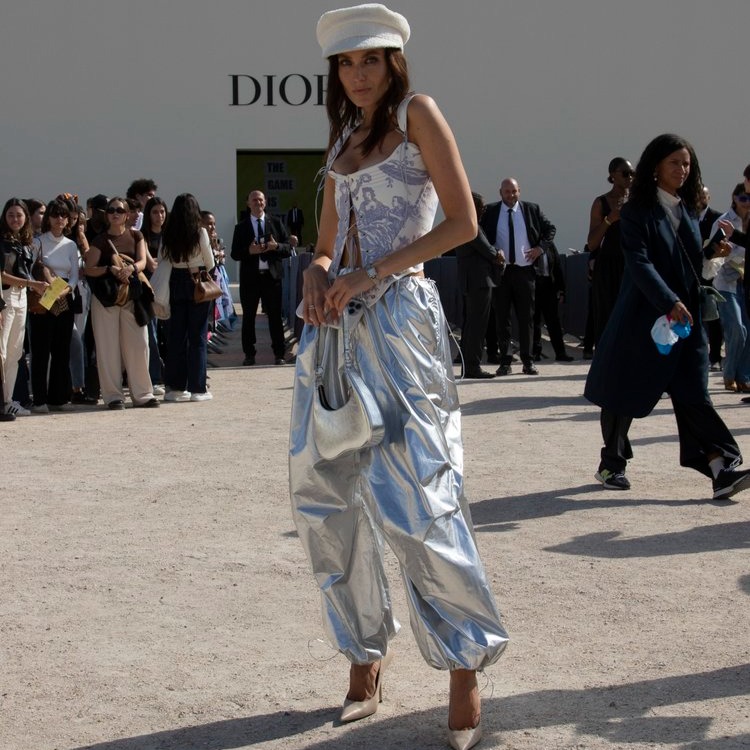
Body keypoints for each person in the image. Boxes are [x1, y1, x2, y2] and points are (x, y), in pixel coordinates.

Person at [290, 6, 508, 750]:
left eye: (370, 62)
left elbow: (463, 222)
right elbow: (323, 245)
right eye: (346, 65)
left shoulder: (420, 113)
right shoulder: (343, 136)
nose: (357, 75)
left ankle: (463, 665)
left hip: (400, 325)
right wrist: (319, 276)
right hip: (333, 335)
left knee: (422, 495)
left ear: (394, 63)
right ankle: (363, 657)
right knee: (326, 495)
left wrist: (369, 272)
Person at [584, 133, 750, 500]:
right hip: (643, 318)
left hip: (685, 322)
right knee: (623, 393)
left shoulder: (687, 210)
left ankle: (720, 467)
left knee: (695, 394)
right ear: (655, 166)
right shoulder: (635, 212)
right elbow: (640, 263)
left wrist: (713, 253)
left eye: (687, 163)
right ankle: (612, 462)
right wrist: (668, 300)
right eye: (675, 162)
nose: (682, 169)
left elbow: (693, 268)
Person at [85, 196, 159, 410]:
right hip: (106, 298)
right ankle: (113, 396)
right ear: (106, 215)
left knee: (139, 344)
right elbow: (89, 268)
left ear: (127, 215)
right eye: (110, 210)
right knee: (107, 347)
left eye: (119, 210)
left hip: (131, 295)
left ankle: (143, 394)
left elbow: (144, 261)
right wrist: (110, 269)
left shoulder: (136, 235)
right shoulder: (100, 240)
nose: (115, 213)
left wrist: (132, 268)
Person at [479, 178, 556, 376]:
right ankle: (505, 360)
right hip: (502, 271)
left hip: (525, 271)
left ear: (519, 191)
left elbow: (550, 229)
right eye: (507, 192)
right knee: (502, 318)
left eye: (514, 191)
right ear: (500, 193)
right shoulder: (491, 212)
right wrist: (492, 253)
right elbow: (480, 234)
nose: (511, 195)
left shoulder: (531, 210)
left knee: (526, 318)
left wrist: (540, 248)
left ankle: (528, 361)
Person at [230, 190, 295, 366]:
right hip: (250, 279)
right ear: (248, 203)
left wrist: (276, 246)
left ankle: (279, 354)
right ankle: (249, 354)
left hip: (271, 278)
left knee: (274, 317)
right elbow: (235, 254)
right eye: (254, 200)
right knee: (248, 317)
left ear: (265, 202)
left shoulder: (275, 223)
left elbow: (288, 249)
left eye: (260, 200)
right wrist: (248, 251)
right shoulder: (241, 227)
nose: (258, 203)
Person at [161, 193, 215, 402]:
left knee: (177, 336)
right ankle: (197, 389)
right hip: (197, 281)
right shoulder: (200, 232)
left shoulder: (169, 232)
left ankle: (175, 387)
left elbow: (163, 258)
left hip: (175, 280)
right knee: (198, 337)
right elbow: (209, 262)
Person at [29, 199, 79, 413]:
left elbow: (75, 276)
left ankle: (58, 398)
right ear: (48, 217)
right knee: (41, 350)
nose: (60, 219)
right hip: (43, 295)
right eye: (56, 214)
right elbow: (32, 269)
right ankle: (40, 399)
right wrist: (51, 289)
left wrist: (64, 292)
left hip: (64, 296)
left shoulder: (71, 244)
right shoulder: (38, 242)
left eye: (64, 215)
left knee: (62, 349)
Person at [0, 198, 50, 417]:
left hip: (21, 299)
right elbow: (1, 274)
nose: (15, 219)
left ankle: (8, 400)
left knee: (14, 353)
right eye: (10, 215)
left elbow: (35, 269)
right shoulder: (1, 242)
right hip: (5, 297)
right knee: (1, 354)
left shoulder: (27, 242)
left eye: (19, 215)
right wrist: (32, 284)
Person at [587, 157, 634, 346]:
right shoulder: (601, 203)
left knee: (633, 313)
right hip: (609, 266)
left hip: (632, 263)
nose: (630, 177)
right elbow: (591, 243)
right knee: (607, 314)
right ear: (613, 175)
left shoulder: (638, 202)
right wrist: (610, 219)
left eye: (633, 173)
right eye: (625, 173)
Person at [455, 191, 502, 378]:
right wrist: (499, 255)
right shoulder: (471, 226)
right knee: (477, 326)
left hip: (471, 281)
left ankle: (468, 366)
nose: (484, 210)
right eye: (481, 207)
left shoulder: (462, 223)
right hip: (479, 281)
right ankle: (473, 366)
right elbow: (489, 252)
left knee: (471, 325)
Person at [708, 184, 750, 392]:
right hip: (726, 281)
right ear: (734, 198)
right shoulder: (724, 221)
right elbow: (714, 252)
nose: (746, 202)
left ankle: (744, 376)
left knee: (748, 331)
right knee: (736, 329)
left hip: (745, 283)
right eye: (743, 198)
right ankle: (729, 373)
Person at [141, 196, 170, 393]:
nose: (159, 216)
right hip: (148, 291)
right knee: (150, 335)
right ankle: (155, 376)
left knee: (169, 335)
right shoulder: (141, 237)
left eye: (162, 212)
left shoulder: (170, 236)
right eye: (154, 212)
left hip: (167, 290)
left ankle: (171, 376)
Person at [532, 240, 572, 361]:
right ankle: (535, 353)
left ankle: (560, 353)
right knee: (534, 321)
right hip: (533, 285)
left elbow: (557, 266)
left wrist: (561, 289)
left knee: (553, 321)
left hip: (548, 285)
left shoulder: (549, 245)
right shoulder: (527, 242)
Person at [698, 186, 724, 371]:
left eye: (703, 195)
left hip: (711, 272)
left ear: (709, 197)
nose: (700, 199)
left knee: (713, 316)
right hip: (693, 271)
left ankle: (715, 355)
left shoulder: (717, 218)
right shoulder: (687, 216)